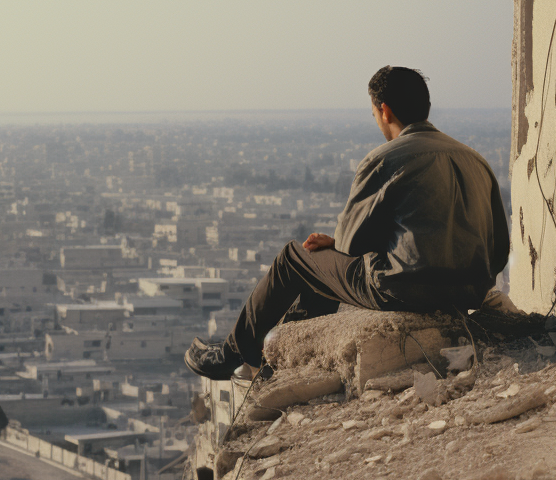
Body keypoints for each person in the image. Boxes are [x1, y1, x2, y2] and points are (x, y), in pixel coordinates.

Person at [184, 66, 509, 381]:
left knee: (295, 259)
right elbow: (499, 250)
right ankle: (279, 356)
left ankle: (230, 356)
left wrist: (335, 247)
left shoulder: (387, 158)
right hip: (470, 291)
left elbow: (350, 244)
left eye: (373, 114)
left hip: (407, 290)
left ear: (384, 111)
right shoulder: (475, 159)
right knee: (321, 265)